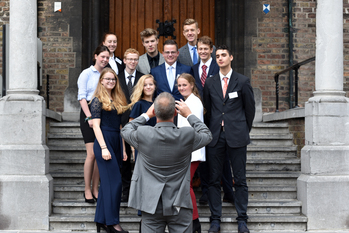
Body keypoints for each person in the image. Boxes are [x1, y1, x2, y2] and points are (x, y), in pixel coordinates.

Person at [121, 92, 212, 233]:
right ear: (176, 113)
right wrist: (189, 115)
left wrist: (146, 115)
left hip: (151, 203)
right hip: (179, 201)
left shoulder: (144, 133)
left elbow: (126, 129)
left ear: (155, 111)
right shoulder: (186, 135)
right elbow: (207, 135)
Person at [203, 45, 255, 233]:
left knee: (240, 179)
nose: (220, 58)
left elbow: (250, 110)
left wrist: (241, 129)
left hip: (237, 135)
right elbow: (208, 110)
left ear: (231, 57)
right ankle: (215, 219)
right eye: (217, 56)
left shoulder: (242, 81)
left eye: (223, 55)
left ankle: (242, 218)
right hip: (216, 136)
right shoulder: (210, 82)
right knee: (214, 180)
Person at [191, 36, 235, 206]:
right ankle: (206, 190)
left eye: (205, 49)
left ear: (211, 50)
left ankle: (229, 191)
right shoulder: (193, 68)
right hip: (200, 116)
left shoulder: (219, 66)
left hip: (217, 116)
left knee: (221, 156)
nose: (202, 51)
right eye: (199, 49)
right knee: (203, 154)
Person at [90, 68, 129, 233]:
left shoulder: (117, 98)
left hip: (116, 140)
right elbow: (96, 126)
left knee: (108, 184)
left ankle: (101, 220)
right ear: (101, 81)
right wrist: (104, 147)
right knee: (115, 183)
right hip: (103, 141)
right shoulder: (97, 100)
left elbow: (119, 126)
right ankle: (113, 223)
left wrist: (124, 148)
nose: (111, 82)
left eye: (113, 79)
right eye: (107, 79)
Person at [77, 45, 110, 203]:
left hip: (103, 113)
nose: (104, 60)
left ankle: (96, 188)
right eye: (102, 56)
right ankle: (87, 189)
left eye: (107, 57)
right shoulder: (86, 73)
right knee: (91, 154)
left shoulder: (107, 74)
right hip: (88, 113)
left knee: (99, 155)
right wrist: (89, 117)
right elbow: (82, 97)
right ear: (95, 56)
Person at [176, 73, 204, 233]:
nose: (181, 88)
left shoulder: (193, 103)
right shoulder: (187, 101)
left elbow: (193, 128)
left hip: (191, 152)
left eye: (184, 85)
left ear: (192, 85)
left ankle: (195, 222)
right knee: (185, 186)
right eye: (179, 85)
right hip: (186, 151)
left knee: (186, 186)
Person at [118, 48, 145, 202]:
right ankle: (126, 191)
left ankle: (140, 191)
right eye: (130, 59)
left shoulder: (142, 78)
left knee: (141, 159)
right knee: (124, 160)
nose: (133, 62)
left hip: (139, 123)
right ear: (124, 60)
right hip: (122, 123)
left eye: (135, 59)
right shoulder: (117, 77)